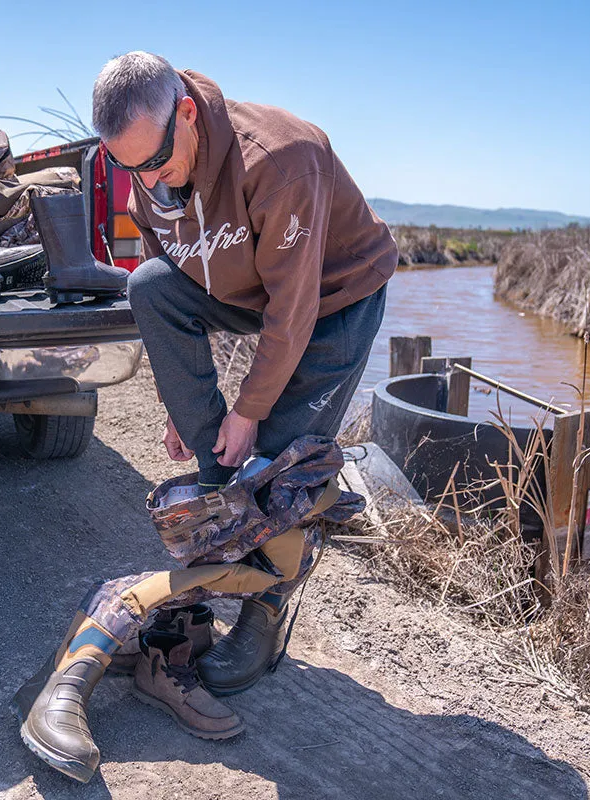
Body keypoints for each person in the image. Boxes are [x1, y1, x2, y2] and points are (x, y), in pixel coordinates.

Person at [92, 52, 397, 696]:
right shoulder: (145, 165)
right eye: (129, 167)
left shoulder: (282, 161)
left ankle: (266, 612)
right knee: (148, 288)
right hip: (242, 283)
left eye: (154, 162)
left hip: (335, 294)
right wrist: (185, 407)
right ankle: (216, 543)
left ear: (187, 112)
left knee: (284, 456)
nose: (147, 178)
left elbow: (296, 308)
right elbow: (166, 268)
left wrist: (251, 408)